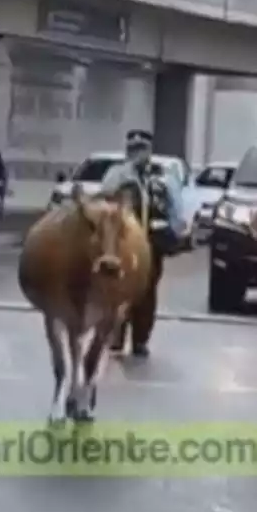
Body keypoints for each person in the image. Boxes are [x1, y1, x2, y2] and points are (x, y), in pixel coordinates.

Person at [98, 129, 176, 356]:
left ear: (150, 151)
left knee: (147, 293)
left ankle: (141, 339)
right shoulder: (118, 174)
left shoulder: (159, 177)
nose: (138, 154)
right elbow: (107, 201)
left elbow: (171, 208)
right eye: (133, 149)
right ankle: (117, 336)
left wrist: (172, 233)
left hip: (151, 246)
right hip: (123, 244)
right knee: (119, 290)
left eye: (142, 149)